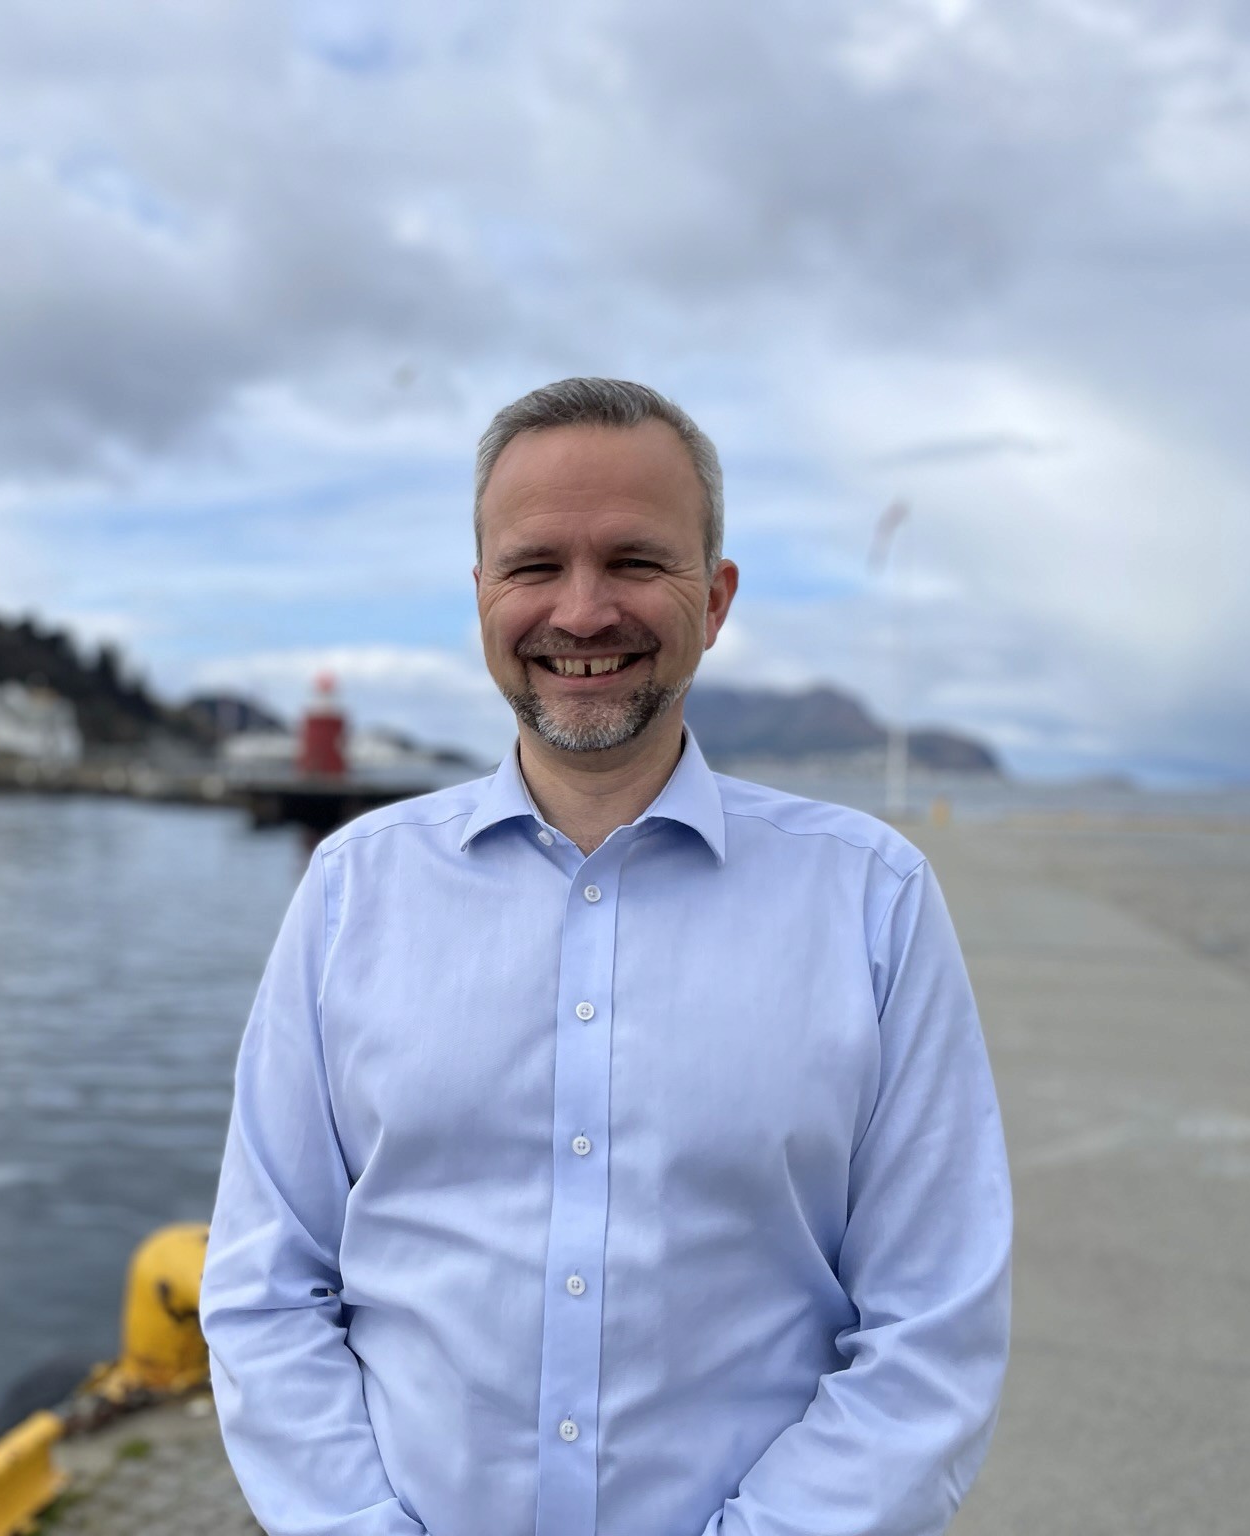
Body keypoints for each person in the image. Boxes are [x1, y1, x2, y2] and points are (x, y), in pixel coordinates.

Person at [199, 378, 1011, 1536]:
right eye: (533, 567)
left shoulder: (870, 900)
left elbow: (933, 1321)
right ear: (480, 594)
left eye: (634, 561)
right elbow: (264, 1283)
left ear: (715, 597)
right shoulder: (349, 891)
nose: (581, 614)